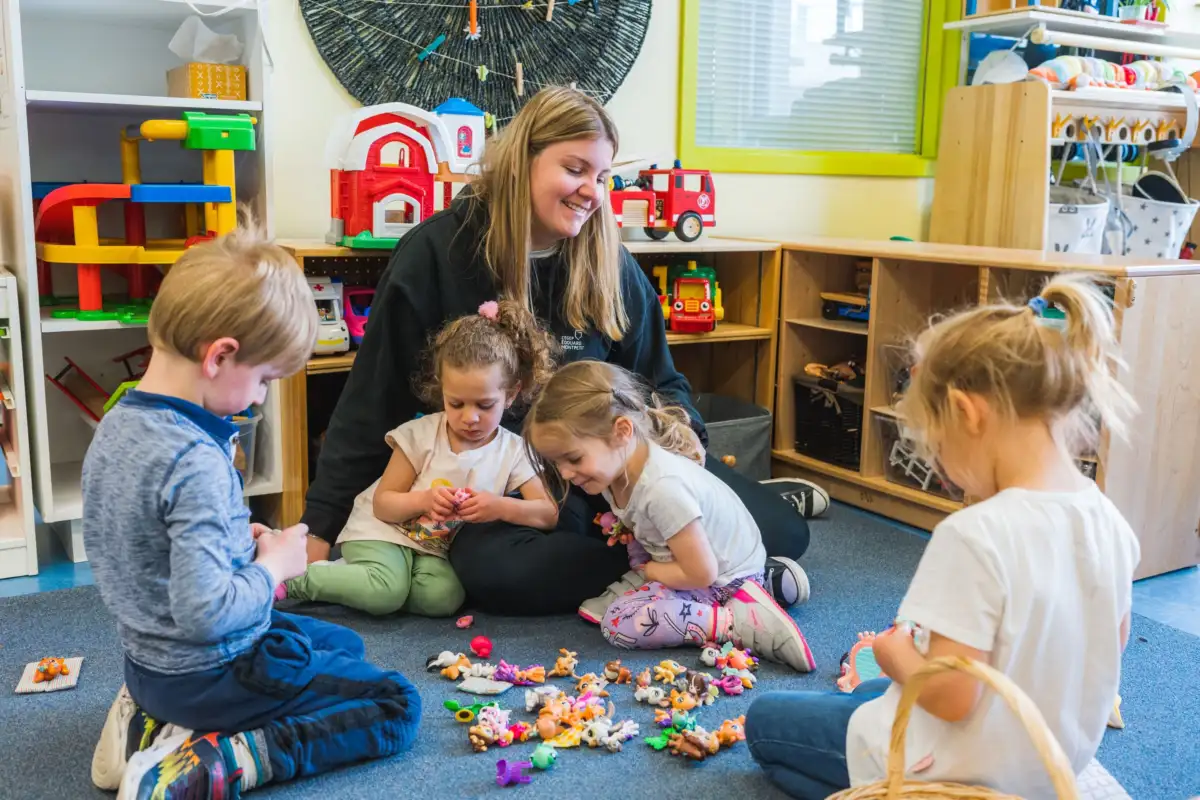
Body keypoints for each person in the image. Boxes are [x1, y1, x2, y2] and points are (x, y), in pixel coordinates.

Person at [301, 85, 816, 617]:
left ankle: (677, 562)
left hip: (615, 468)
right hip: (507, 487)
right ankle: (683, 568)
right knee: (498, 574)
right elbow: (370, 401)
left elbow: (662, 380)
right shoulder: (436, 252)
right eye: (574, 169)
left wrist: (689, 446)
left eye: (601, 177)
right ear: (523, 160)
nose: (590, 191)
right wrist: (319, 527)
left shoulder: (607, 259)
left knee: (784, 531)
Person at [744, 274, 1140, 798]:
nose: (940, 466)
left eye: (935, 443)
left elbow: (953, 697)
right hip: (1050, 763)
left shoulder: (975, 534)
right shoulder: (1109, 520)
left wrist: (894, 652)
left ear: (967, 413)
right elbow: (1107, 649)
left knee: (766, 722)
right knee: (869, 691)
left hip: (959, 771)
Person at [82, 226, 422, 797]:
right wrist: (273, 568)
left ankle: (151, 721)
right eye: (264, 379)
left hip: (149, 666)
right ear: (220, 355)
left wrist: (242, 543)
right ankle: (220, 760)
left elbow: (140, 546)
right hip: (210, 670)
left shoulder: (119, 423)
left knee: (343, 646)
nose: (262, 396)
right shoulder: (195, 458)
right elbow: (206, 614)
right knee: (395, 702)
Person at [525, 360, 817, 672]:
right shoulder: (618, 469)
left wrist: (651, 572)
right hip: (712, 564)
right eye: (557, 463)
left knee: (618, 623)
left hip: (719, 577)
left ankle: (735, 621)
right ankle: (765, 590)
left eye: (573, 458)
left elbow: (702, 572)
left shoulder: (662, 489)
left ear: (622, 431)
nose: (566, 474)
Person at [281, 300, 559, 616]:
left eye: (484, 405)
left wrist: (499, 506)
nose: (469, 418)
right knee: (386, 592)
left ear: (511, 394)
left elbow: (547, 513)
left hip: (432, 550)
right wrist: (424, 501)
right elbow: (383, 504)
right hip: (380, 531)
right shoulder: (421, 434)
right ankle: (289, 577)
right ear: (442, 392)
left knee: (444, 599)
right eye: (456, 404)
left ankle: (355, 578)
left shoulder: (514, 450)